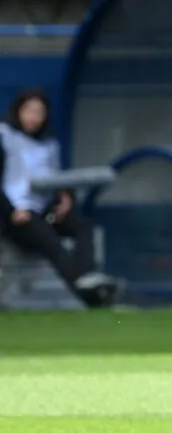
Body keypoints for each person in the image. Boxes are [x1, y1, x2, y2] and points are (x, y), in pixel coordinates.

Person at [0, 90, 118, 308]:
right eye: (29, 111)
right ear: (18, 111)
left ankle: (88, 276)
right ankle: (88, 293)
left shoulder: (48, 145)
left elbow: (54, 176)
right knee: (51, 242)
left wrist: (65, 195)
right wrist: (10, 211)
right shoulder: (4, 136)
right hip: (17, 215)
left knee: (83, 226)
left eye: (39, 112)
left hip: (45, 208)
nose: (34, 117)